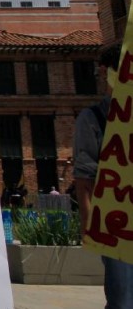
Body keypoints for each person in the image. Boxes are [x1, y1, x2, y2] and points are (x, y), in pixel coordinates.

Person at [72, 44, 133, 309]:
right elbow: (84, 180)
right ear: (106, 72)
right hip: (115, 223)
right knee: (123, 299)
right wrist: (89, 227)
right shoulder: (93, 118)